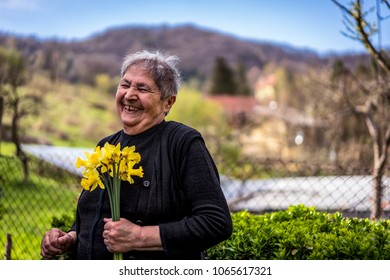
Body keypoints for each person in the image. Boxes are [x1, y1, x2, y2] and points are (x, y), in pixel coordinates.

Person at [40, 50, 232, 260]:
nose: (129, 94)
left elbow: (216, 222)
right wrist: (71, 236)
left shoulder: (183, 143)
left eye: (142, 88)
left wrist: (140, 236)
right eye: (125, 85)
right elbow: (93, 215)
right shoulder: (106, 146)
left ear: (168, 102)